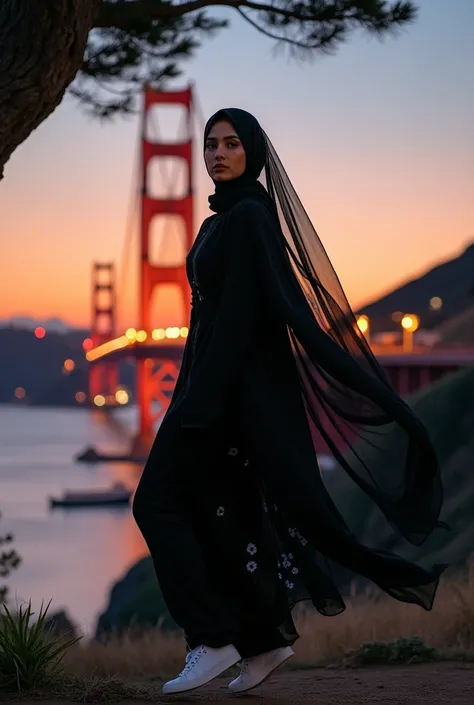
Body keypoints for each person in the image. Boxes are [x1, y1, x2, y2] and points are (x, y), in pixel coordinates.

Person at [132, 108, 448, 695]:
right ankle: (265, 639)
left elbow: (236, 326)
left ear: (253, 150)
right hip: (207, 394)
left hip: (222, 400)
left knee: (155, 505)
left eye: (231, 144)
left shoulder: (249, 218)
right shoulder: (215, 224)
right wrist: (186, 395)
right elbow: (206, 325)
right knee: (224, 515)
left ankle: (210, 637)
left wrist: (196, 409)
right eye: (210, 145)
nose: (217, 154)